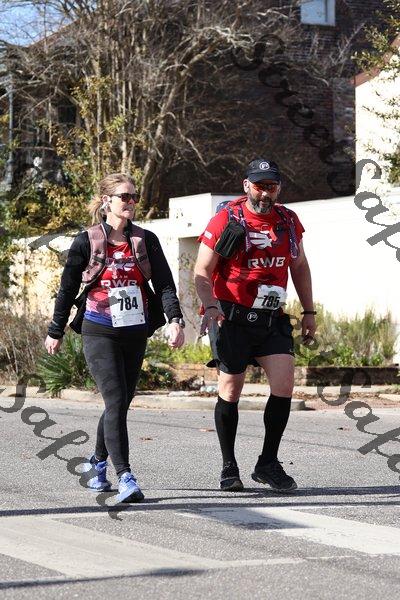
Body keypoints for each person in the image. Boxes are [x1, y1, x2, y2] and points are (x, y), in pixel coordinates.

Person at [45, 173, 185, 503]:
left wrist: (175, 319)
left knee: (118, 404)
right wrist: (55, 330)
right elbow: (67, 288)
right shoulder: (87, 240)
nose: (131, 202)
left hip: (135, 330)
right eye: (125, 197)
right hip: (98, 329)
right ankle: (125, 476)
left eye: (134, 197)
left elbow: (165, 284)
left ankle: (96, 463)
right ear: (107, 201)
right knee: (116, 400)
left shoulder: (145, 240)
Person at [194, 158, 316, 493]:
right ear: (247, 185)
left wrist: (309, 311)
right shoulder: (227, 219)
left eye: (271, 186)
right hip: (231, 316)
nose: (265, 193)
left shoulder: (288, 221)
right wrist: (211, 306)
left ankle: (267, 463)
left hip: (272, 316)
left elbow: (299, 266)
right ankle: (229, 466)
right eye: (260, 186)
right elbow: (202, 270)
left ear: (279, 188)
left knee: (284, 384)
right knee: (230, 389)